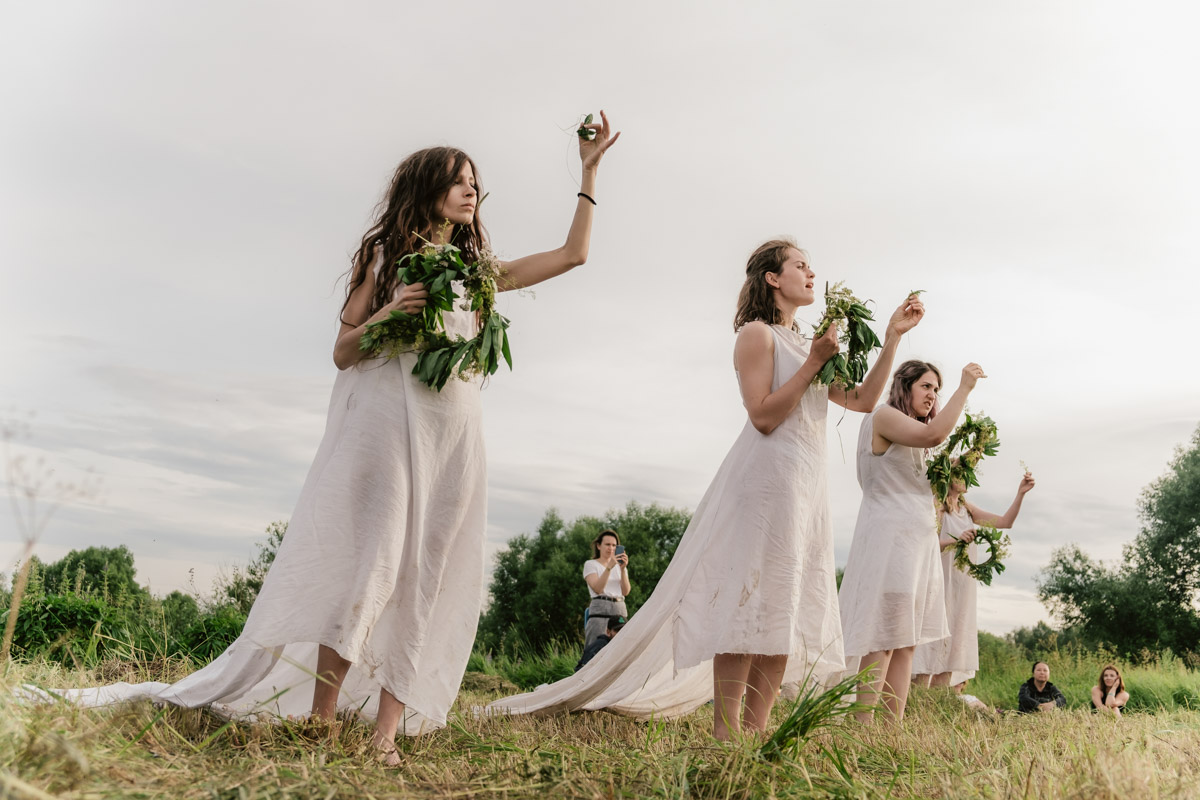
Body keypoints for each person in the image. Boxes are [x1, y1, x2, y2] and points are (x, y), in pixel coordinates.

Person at [41, 113, 621, 762]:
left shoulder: (476, 272)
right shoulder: (384, 259)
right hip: (389, 432)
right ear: (426, 189)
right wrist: (389, 314)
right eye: (458, 180)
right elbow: (344, 351)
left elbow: (572, 255)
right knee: (370, 566)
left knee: (426, 576)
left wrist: (589, 173)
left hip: (454, 440)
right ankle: (320, 719)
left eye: (474, 182)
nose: (471, 191)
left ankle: (384, 733)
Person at [488, 239, 925, 740]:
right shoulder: (757, 335)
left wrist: (892, 337)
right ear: (772, 278)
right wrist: (814, 361)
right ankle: (726, 730)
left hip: (807, 490)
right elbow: (762, 415)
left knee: (783, 609)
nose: (811, 273)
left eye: (811, 266)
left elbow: (865, 400)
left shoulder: (809, 343)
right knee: (745, 606)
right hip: (765, 483)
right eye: (800, 265)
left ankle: (756, 733)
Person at [838, 358, 987, 724]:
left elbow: (935, 451)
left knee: (905, 640)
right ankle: (863, 726)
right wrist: (964, 388)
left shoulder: (914, 435)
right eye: (926, 386)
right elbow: (934, 434)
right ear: (904, 386)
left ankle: (892, 728)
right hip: (890, 538)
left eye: (937, 389)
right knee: (882, 634)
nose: (932, 394)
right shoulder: (884, 416)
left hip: (917, 542)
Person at [912, 468, 1036, 688]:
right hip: (940, 582)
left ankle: (937, 701)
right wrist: (956, 540)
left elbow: (1005, 522)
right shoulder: (937, 506)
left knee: (954, 641)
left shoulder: (968, 509)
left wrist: (1021, 493)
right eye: (962, 474)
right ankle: (917, 698)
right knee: (930, 640)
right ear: (949, 477)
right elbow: (925, 544)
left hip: (962, 585)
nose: (968, 479)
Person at [583, 529, 630, 647]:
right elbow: (598, 589)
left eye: (614, 545)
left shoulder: (620, 567)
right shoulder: (591, 564)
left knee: (621, 648)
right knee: (595, 647)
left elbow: (625, 591)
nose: (611, 548)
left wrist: (623, 569)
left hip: (619, 610)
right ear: (599, 546)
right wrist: (609, 567)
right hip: (600, 610)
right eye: (607, 544)